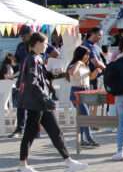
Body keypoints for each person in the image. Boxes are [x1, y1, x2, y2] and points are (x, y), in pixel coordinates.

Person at [18, 32, 88, 172]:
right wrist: (46, 99)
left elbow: (42, 78)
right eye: (45, 43)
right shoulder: (31, 59)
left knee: (55, 132)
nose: (47, 46)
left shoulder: (37, 58)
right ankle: (23, 165)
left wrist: (57, 74)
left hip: (41, 103)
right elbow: (32, 83)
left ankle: (69, 162)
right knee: (30, 133)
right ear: (36, 44)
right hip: (36, 103)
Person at [67, 46, 102, 147]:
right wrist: (78, 62)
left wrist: (96, 72)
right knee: (86, 115)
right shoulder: (75, 65)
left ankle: (82, 139)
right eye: (86, 54)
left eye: (88, 54)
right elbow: (72, 73)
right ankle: (89, 138)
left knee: (83, 117)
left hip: (86, 91)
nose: (87, 56)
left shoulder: (85, 66)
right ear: (80, 54)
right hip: (76, 92)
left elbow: (89, 78)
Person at [8, 25, 33, 139]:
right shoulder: (20, 46)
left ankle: (34, 128)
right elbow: (17, 61)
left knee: (35, 104)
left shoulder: (35, 44)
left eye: (24, 35)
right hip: (22, 78)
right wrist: (13, 59)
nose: (22, 37)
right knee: (20, 103)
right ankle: (19, 128)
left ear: (30, 34)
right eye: (21, 35)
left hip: (33, 78)